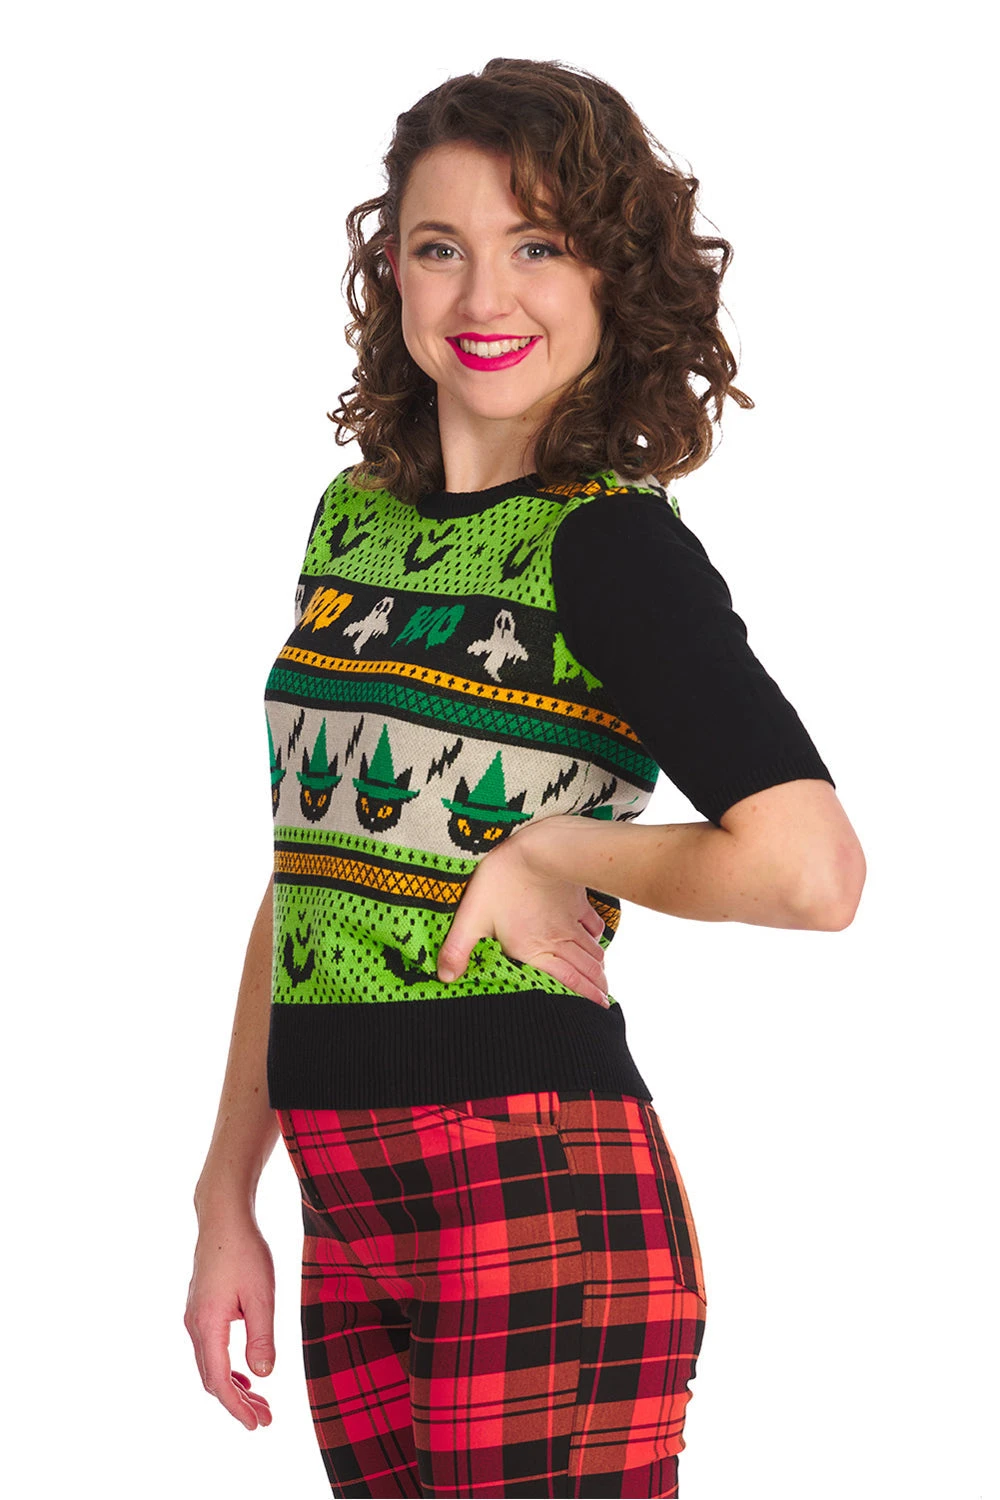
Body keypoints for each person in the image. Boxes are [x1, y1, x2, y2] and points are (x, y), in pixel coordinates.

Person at [185, 57, 866, 1499]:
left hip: (532, 1183)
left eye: (539, 245)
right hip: (347, 1196)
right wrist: (225, 1189)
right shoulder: (353, 523)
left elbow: (810, 870)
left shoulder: (608, 546)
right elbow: (306, 872)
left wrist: (556, 850)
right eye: (442, 248)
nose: (485, 296)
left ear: (614, 274)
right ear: (394, 272)